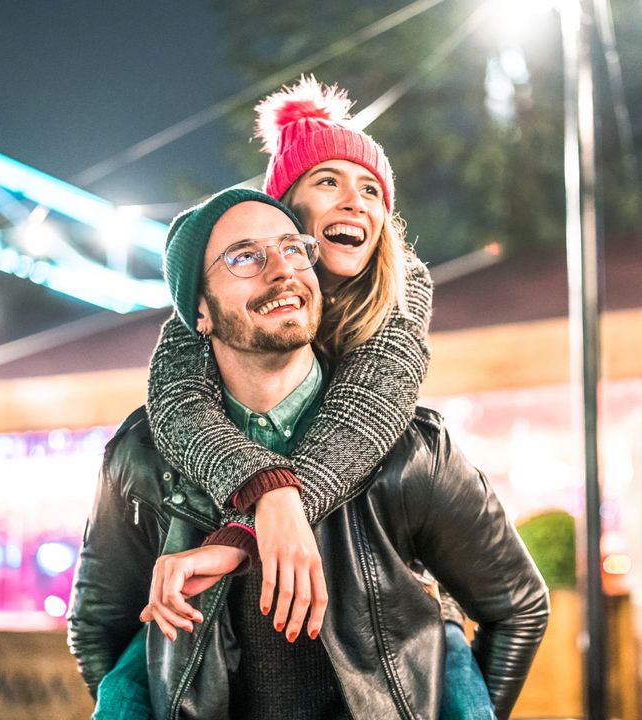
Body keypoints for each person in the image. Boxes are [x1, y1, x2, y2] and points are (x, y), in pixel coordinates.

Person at [68, 188, 549, 719]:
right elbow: (99, 630)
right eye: (245, 256)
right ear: (199, 310)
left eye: (294, 248)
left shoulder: (410, 452)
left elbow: (518, 609)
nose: (282, 270)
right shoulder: (142, 455)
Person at [149, 77, 493, 717]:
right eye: (328, 182)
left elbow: (367, 410)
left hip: (389, 602)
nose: (355, 202)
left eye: (371, 190)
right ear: (282, 205)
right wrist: (262, 491)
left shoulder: (400, 292)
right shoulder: (225, 283)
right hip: (242, 623)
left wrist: (265, 510)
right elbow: (174, 400)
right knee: (130, 674)